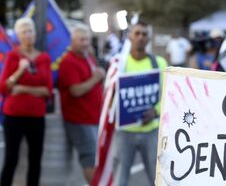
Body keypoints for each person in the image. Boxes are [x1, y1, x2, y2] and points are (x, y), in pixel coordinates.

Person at [0, 17, 53, 186]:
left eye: (30, 31)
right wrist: (19, 71)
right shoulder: (13, 56)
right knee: (11, 159)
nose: (28, 35)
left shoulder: (44, 58)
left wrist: (23, 89)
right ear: (18, 35)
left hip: (36, 116)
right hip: (14, 115)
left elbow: (48, 90)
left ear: (35, 34)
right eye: (24, 32)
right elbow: (4, 87)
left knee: (35, 159)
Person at [113, 22, 167, 186]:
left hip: (151, 131)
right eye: (137, 33)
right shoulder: (119, 64)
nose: (140, 37)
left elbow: (167, 94)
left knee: (156, 177)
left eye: (144, 34)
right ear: (129, 36)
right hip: (124, 132)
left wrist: (155, 111)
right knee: (120, 178)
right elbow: (110, 96)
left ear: (149, 38)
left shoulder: (158, 63)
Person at [57, 25, 105, 183]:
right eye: (81, 40)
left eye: (88, 40)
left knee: (95, 157)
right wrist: (96, 78)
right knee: (89, 158)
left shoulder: (87, 56)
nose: (85, 43)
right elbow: (75, 91)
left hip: (93, 117)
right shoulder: (68, 62)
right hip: (80, 119)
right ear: (72, 41)